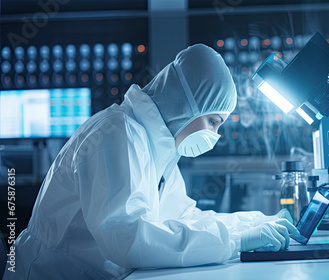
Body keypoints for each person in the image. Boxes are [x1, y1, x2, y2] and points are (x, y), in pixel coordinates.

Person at [3, 44, 301, 280]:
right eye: (213, 121)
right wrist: (235, 242)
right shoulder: (116, 133)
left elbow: (184, 217)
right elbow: (127, 236)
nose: (215, 135)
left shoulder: (158, 148)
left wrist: (254, 222)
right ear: (187, 104)